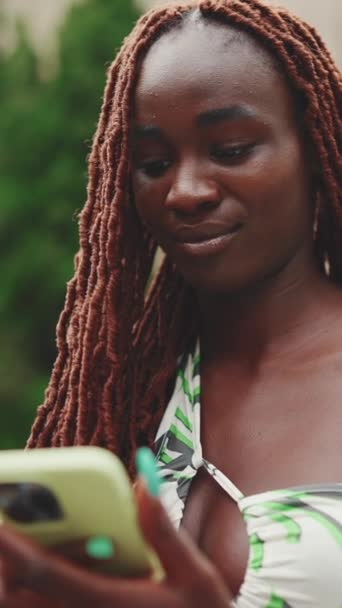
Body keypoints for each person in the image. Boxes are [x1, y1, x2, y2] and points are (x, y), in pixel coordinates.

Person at [0, 0, 341, 605]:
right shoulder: (125, 393)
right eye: (154, 164)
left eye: (231, 149)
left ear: (316, 150)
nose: (184, 191)